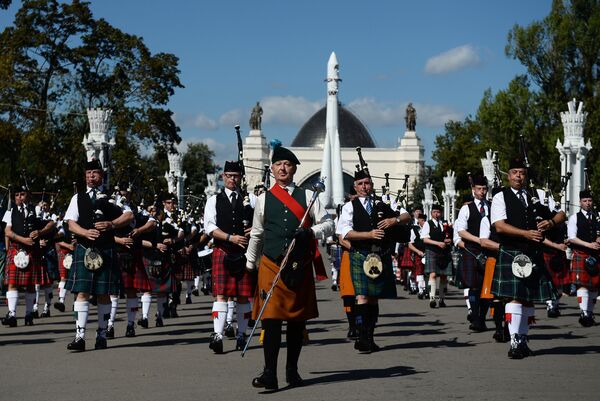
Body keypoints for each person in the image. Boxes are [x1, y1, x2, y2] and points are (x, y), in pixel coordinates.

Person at [246, 146, 334, 390]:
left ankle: (292, 371)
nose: (282, 168)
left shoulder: (308, 196)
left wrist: (309, 232)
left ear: (294, 169)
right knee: (271, 320)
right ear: (272, 169)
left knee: (296, 321)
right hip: (271, 264)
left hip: (298, 264)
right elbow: (257, 233)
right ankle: (269, 374)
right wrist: (249, 262)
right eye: (278, 164)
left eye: (287, 164)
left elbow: (328, 225)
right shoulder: (263, 198)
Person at [490, 158, 565, 359]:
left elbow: (561, 214)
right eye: (514, 172)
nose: (518, 176)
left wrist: (550, 222)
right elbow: (499, 225)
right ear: (508, 175)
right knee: (515, 297)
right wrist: (525, 234)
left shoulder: (537, 194)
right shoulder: (500, 197)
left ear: (526, 175)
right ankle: (514, 340)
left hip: (533, 253)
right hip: (512, 251)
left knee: (528, 299)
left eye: (521, 172)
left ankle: (522, 339)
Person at [63, 159, 133, 351]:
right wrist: (84, 233)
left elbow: (129, 216)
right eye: (88, 173)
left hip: (106, 248)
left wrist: (112, 224)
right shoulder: (77, 197)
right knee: (82, 293)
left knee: (103, 294)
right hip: (85, 248)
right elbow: (70, 222)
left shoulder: (114, 196)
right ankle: (80, 336)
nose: (91, 176)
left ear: (102, 175)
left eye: (95, 172)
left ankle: (101, 334)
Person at [337, 168, 410, 353]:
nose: (364, 187)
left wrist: (394, 220)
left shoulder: (381, 203)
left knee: (373, 298)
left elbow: (406, 215)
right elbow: (344, 232)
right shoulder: (349, 207)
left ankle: (370, 336)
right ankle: (361, 336)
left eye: (367, 183)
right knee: (361, 296)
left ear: (372, 184)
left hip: (380, 255)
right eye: (360, 184)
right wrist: (368, 234)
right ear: (355, 186)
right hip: (361, 254)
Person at [204, 160, 256, 353]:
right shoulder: (213, 201)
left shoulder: (251, 199)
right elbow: (209, 227)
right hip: (223, 250)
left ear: (240, 178)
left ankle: (241, 335)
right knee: (221, 295)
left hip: (244, 253)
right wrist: (230, 238)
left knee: (243, 296)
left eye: (236, 176)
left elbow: (260, 222)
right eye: (229, 176)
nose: (232, 179)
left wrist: (250, 231)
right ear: (223, 177)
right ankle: (217, 335)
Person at [2, 182, 55, 327]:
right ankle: (12, 314)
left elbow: (52, 223)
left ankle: (28, 314)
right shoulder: (10, 211)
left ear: (28, 196)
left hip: (33, 251)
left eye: (22, 194)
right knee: (12, 284)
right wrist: (23, 240)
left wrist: (40, 232)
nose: (20, 197)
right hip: (17, 248)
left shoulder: (36, 210)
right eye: (17, 195)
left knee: (31, 284)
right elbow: (8, 232)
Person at [455, 175, 490, 332]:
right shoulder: (466, 208)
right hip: (472, 250)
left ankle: (482, 319)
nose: (482, 192)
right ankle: (475, 317)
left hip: (489, 250)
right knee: (474, 287)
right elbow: (461, 231)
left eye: (484, 189)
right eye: (479, 189)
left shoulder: (491, 206)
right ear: (473, 190)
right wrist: (479, 240)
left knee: (486, 287)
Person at [566, 190, 599, 327]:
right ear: (580, 202)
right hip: (581, 253)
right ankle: (584, 312)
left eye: (590, 201)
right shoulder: (575, 218)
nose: (587, 203)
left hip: (596, 255)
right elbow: (572, 238)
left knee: (595, 286)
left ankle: (589, 313)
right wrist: (589, 245)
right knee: (582, 285)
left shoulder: (598, 216)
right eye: (585, 201)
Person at [422, 204, 452, 308]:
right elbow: (425, 239)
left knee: (444, 276)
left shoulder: (445, 223)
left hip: (444, 252)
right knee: (433, 274)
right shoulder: (428, 224)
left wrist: (449, 240)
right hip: (432, 250)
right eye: (434, 212)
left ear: (441, 213)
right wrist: (438, 243)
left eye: (438, 212)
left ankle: (442, 299)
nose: (436, 214)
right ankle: (432, 298)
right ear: (431, 213)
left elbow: (449, 235)